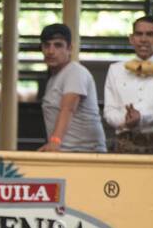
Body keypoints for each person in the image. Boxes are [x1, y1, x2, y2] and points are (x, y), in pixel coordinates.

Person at [102, 15, 153, 154]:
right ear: (131, 39)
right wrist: (126, 120)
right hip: (124, 141)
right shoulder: (116, 69)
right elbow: (109, 111)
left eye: (150, 34)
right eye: (139, 34)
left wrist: (142, 118)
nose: (144, 39)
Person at [37, 23, 105, 153]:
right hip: (66, 151)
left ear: (70, 48)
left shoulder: (75, 71)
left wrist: (54, 142)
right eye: (46, 45)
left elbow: (68, 109)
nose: (51, 51)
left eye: (58, 45)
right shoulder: (54, 78)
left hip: (85, 153)